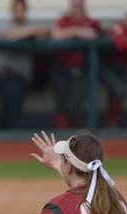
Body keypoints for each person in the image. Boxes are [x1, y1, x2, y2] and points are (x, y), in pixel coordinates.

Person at [0, 0, 48, 129]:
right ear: (12, 11)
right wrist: (29, 32)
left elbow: (44, 32)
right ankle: (4, 131)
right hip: (3, 72)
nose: (19, 13)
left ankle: (9, 131)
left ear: (26, 11)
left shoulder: (31, 25)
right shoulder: (4, 24)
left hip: (22, 75)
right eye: (17, 10)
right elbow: (7, 35)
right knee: (9, 95)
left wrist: (31, 32)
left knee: (17, 104)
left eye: (21, 10)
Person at [50, 0, 102, 129]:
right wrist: (75, 30)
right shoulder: (64, 20)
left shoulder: (90, 21)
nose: (76, 8)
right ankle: (62, 127)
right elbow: (55, 35)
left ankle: (73, 125)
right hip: (62, 66)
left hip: (83, 68)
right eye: (74, 5)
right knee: (61, 97)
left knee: (77, 100)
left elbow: (93, 34)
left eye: (79, 5)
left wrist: (75, 31)